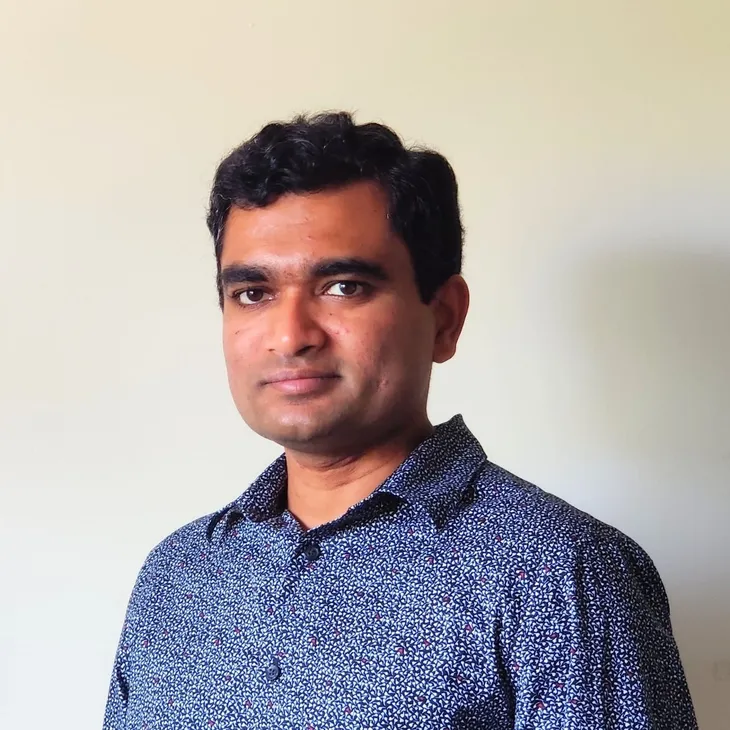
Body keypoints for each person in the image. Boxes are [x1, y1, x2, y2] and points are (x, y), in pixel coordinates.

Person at [103, 112, 697, 729]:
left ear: (444, 318)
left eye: (344, 286)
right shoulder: (176, 577)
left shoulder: (563, 571)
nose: (290, 335)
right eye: (253, 294)